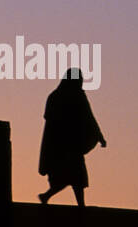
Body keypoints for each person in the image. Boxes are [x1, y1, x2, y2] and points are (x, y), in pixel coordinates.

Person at [37, 69, 106, 206]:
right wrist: (99, 136)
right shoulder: (74, 96)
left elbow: (87, 117)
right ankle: (75, 203)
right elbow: (89, 117)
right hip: (66, 145)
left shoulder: (55, 96)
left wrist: (99, 136)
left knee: (73, 176)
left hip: (63, 144)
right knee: (74, 175)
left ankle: (51, 196)